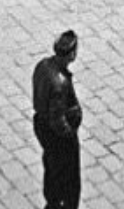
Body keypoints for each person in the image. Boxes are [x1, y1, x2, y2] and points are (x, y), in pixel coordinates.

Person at [32, 29, 83, 209]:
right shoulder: (59, 83)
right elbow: (57, 120)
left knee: (52, 167)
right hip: (58, 136)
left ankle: (52, 200)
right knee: (69, 176)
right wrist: (70, 134)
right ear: (72, 54)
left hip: (41, 125)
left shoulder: (43, 65)